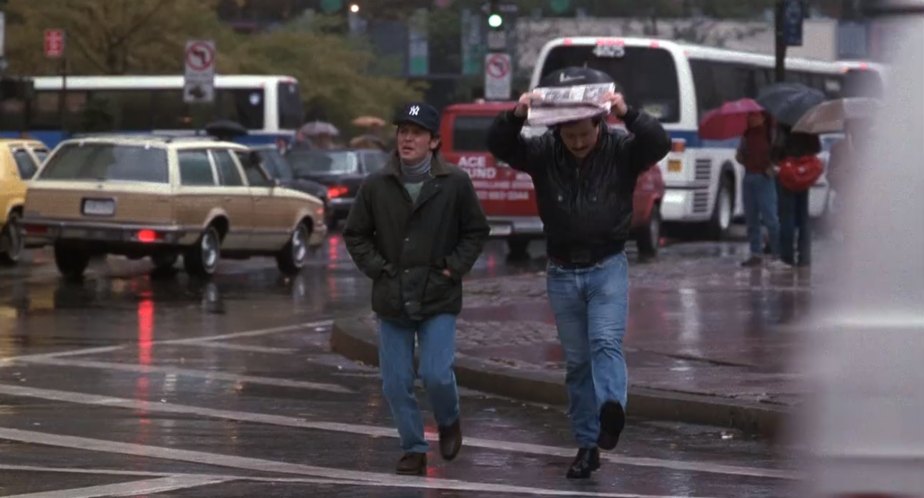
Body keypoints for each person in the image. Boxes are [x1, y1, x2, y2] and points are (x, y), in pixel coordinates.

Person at [487, 67, 671, 479]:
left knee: (606, 342)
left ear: (599, 123)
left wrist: (627, 112)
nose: (578, 144)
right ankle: (587, 444)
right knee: (576, 362)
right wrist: (517, 113)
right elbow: (498, 143)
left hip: (608, 264)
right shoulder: (542, 154)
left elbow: (658, 143)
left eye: (585, 136)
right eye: (569, 137)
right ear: (558, 132)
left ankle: (611, 410)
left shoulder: (622, 150)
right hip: (562, 270)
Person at [343, 102, 490, 476]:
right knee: (395, 382)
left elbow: (475, 231)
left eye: (417, 132)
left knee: (437, 374)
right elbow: (356, 234)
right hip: (392, 296)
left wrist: (453, 268)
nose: (407, 139)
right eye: (402, 131)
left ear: (434, 141)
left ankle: (450, 419)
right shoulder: (377, 184)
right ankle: (413, 447)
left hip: (437, 294)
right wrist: (379, 269)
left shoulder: (454, 182)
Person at [735, 111, 781, 267]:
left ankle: (777, 253)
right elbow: (740, 156)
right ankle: (756, 253)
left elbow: (778, 155)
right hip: (749, 177)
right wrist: (741, 156)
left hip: (764, 178)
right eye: (749, 116)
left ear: (762, 118)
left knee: (770, 219)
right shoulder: (746, 135)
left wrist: (772, 168)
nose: (751, 119)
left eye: (754, 116)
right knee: (751, 219)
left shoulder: (770, 133)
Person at [772, 125, 821, 267]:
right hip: (803, 173)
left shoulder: (785, 124)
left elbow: (777, 148)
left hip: (788, 173)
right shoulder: (809, 123)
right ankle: (804, 257)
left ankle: (787, 257)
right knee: (804, 217)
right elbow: (816, 147)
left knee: (787, 216)